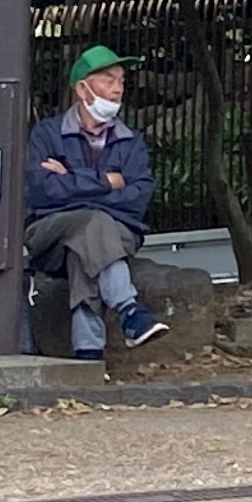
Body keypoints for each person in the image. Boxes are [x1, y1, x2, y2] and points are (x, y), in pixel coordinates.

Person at [23, 45, 165, 354]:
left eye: (122, 80)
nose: (118, 88)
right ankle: (128, 309)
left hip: (117, 232)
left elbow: (138, 198)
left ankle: (89, 353)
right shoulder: (47, 134)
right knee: (93, 224)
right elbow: (42, 192)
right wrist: (106, 182)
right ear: (81, 88)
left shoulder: (131, 141)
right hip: (51, 234)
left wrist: (72, 180)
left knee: (86, 241)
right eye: (108, 79)